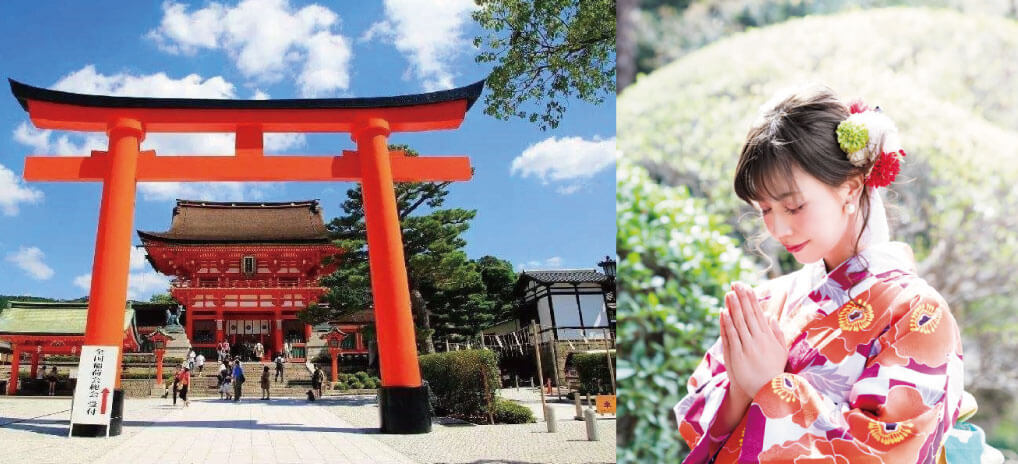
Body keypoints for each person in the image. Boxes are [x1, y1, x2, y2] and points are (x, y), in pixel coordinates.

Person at [673, 87, 964, 463]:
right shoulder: (766, 302)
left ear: (850, 187)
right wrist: (742, 391)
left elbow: (889, 452)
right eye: (765, 209)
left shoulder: (918, 313)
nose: (778, 228)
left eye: (793, 206)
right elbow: (696, 421)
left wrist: (769, 386)